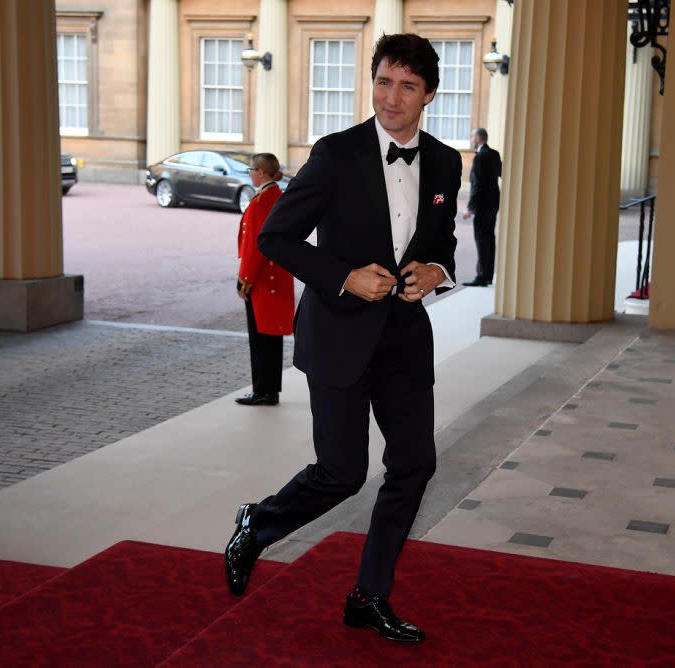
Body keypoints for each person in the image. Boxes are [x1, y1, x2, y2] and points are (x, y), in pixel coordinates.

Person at [224, 33, 461, 644]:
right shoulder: (335, 154)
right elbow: (276, 238)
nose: (392, 96)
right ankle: (259, 523)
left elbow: (441, 241)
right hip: (339, 337)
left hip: (405, 338)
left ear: (428, 95)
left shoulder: (445, 162)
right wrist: (345, 277)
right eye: (383, 81)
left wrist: (436, 270)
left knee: (414, 464)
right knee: (343, 472)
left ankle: (369, 595)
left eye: (407, 86)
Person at [234, 153, 294, 406]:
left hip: (262, 279)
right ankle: (269, 389)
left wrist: (244, 279)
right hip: (275, 276)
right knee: (271, 337)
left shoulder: (261, 202)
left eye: (250, 170)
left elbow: (255, 246)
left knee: (261, 339)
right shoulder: (277, 197)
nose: (249, 174)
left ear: (260, 172)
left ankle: (263, 391)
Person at [461, 128, 501, 287]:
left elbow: (477, 184)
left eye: (472, 136)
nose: (471, 139)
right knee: (490, 239)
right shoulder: (494, 154)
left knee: (482, 240)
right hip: (493, 203)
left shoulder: (480, 157)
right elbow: (500, 173)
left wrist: (470, 208)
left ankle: (481, 276)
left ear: (478, 138)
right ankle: (488, 276)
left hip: (483, 205)